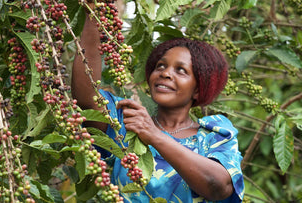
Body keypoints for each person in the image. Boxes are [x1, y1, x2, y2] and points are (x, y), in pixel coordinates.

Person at [72, 4, 244, 203]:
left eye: (181, 70)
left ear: (198, 89)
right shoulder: (127, 121)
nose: (165, 73)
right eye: (160, 66)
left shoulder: (214, 134)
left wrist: (155, 136)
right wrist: (93, 16)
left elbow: (218, 186)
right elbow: (87, 98)